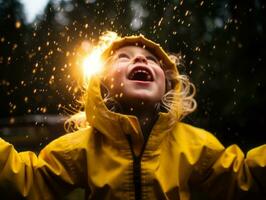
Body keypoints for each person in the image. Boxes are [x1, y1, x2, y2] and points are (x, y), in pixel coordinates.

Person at [0, 33, 265, 200]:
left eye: (151, 60)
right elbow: (29, 180)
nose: (141, 62)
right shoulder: (82, 146)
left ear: (168, 86)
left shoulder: (195, 145)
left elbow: (244, 179)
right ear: (102, 86)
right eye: (124, 58)